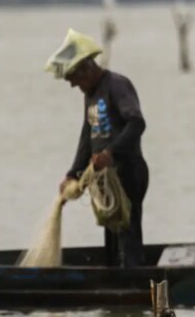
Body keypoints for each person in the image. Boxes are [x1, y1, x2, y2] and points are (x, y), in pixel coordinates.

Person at [45, 28, 149, 267]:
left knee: (128, 230)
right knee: (111, 234)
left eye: (74, 78)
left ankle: (134, 283)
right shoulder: (90, 94)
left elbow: (136, 123)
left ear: (87, 68)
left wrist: (111, 153)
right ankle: (114, 280)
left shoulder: (117, 85)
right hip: (104, 177)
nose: (73, 85)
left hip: (129, 171)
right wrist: (73, 173)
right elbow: (87, 135)